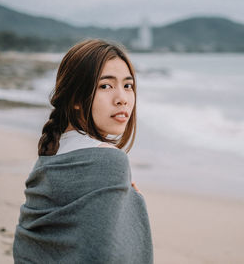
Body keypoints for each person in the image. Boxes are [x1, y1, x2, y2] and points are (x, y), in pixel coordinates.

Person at [13, 39, 153, 263]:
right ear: (76, 97)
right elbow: (106, 255)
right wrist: (135, 206)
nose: (122, 99)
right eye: (105, 86)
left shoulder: (48, 158)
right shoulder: (109, 160)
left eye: (128, 85)